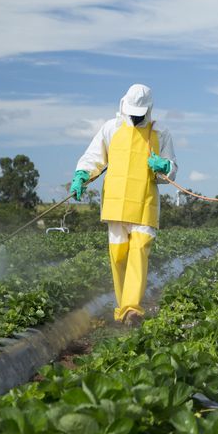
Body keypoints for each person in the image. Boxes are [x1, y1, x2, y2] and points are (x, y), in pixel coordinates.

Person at [69, 84, 177, 326]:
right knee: (118, 256)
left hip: (144, 202)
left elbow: (171, 171)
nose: (136, 115)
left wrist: (164, 167)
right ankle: (123, 309)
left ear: (149, 109)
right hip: (116, 204)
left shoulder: (160, 133)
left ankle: (132, 309)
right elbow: (93, 157)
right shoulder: (111, 128)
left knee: (139, 252)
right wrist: (81, 176)